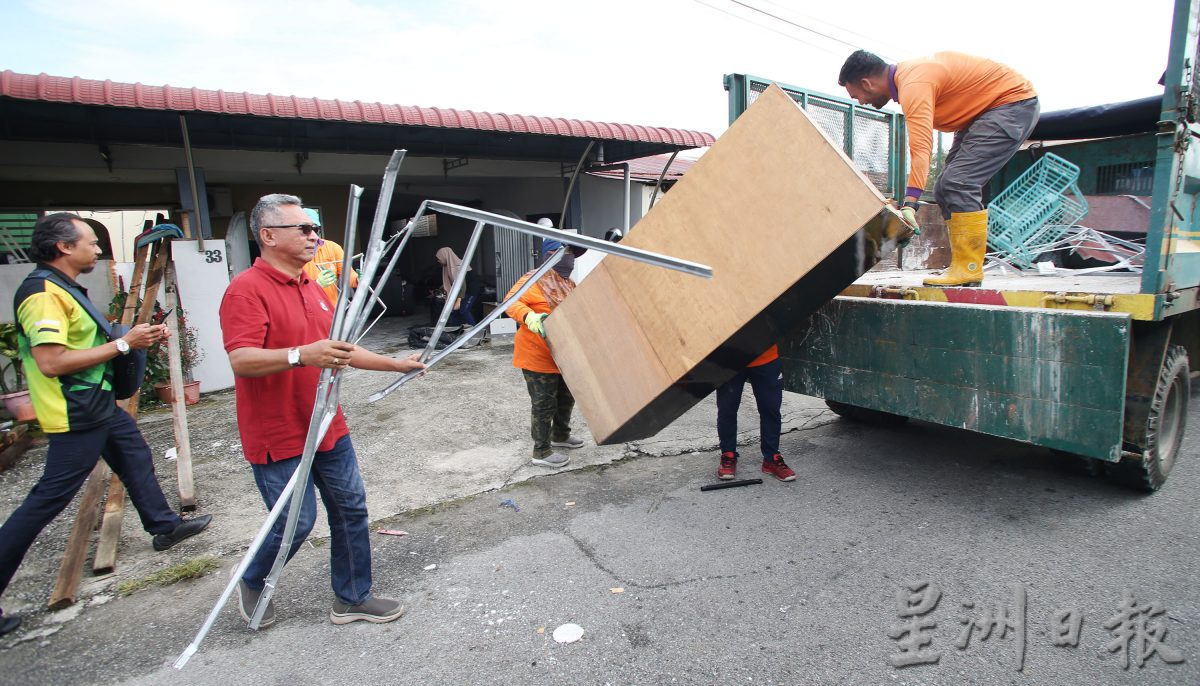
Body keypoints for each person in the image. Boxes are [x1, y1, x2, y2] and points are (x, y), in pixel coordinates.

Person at [0, 213, 212, 637]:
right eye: (90, 242)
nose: (97, 249)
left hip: (95, 404)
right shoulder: (42, 294)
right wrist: (123, 343)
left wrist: (133, 337)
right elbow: (51, 361)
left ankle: (164, 526)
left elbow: (85, 341)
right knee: (46, 501)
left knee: (133, 454)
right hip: (74, 412)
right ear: (63, 247)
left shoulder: (62, 287)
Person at [219, 194, 425, 628]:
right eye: (305, 229)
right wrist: (299, 355)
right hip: (278, 430)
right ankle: (254, 578)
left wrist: (395, 363)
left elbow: (339, 350)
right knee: (296, 522)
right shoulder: (245, 291)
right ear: (269, 236)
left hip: (327, 422)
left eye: (316, 229)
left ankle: (351, 597)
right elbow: (241, 359)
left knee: (351, 508)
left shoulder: (312, 284)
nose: (316, 237)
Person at [838, 49, 1039, 287]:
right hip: (982, 114)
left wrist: (910, 204)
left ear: (866, 83)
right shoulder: (910, 80)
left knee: (958, 182)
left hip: (1010, 105)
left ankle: (969, 269)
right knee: (945, 188)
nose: (861, 102)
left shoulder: (914, 83)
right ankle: (962, 266)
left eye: (856, 96)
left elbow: (921, 148)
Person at [505, 229, 586, 468]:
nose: (571, 258)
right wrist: (528, 316)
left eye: (573, 253)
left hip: (563, 355)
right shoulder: (532, 279)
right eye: (567, 252)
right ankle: (541, 451)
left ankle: (560, 435)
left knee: (565, 398)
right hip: (537, 356)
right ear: (552, 254)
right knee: (544, 404)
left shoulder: (568, 283)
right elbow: (511, 301)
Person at [715, 344, 796, 482]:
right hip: (729, 358)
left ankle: (771, 459)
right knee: (727, 409)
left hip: (766, 357)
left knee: (770, 409)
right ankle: (728, 455)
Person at [299, 208, 359, 305]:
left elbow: (347, 274)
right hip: (304, 309)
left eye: (315, 229)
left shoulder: (332, 247)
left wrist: (358, 280)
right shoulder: (290, 252)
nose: (312, 235)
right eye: (306, 230)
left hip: (330, 310)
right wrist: (316, 284)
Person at [435, 247, 481, 327]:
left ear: (445, 256)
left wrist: (458, 301)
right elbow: (450, 281)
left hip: (470, 290)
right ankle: (455, 330)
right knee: (455, 312)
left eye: (439, 258)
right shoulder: (448, 266)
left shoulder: (458, 266)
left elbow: (462, 285)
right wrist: (440, 289)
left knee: (464, 310)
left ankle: (475, 329)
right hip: (461, 291)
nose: (438, 261)